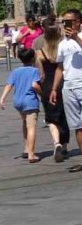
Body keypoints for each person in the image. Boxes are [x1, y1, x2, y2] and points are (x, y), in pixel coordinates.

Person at [34, 17, 71, 161]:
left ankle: (56, 143)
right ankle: (66, 145)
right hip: (64, 83)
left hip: (48, 86)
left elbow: (40, 74)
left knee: (51, 118)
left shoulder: (40, 51)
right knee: (64, 116)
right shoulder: (64, 46)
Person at [51, 9, 82, 173]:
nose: (66, 25)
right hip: (69, 86)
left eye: (69, 21)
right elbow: (60, 67)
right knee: (77, 125)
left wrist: (77, 37)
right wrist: (55, 88)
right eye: (64, 22)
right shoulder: (63, 44)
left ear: (78, 21)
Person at [0, 48, 43, 163]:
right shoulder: (34, 71)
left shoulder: (16, 71)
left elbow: (9, 84)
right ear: (33, 58)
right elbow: (34, 85)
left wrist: (3, 98)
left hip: (18, 101)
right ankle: (31, 154)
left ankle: (26, 148)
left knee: (25, 123)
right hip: (30, 101)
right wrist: (42, 94)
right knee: (31, 127)